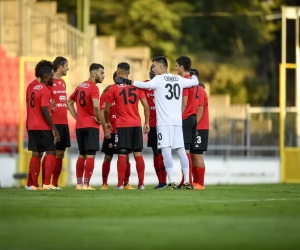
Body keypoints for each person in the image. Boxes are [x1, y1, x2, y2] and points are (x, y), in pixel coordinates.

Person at [121, 56, 198, 189]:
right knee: (181, 150)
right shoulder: (178, 79)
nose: (153, 69)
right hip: (177, 122)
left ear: (161, 67)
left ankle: (171, 181)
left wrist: (128, 81)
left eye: (154, 66)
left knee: (166, 151)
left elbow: (145, 85)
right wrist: (192, 74)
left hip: (163, 123)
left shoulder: (158, 79)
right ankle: (187, 181)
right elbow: (195, 82)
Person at [104, 62, 150, 189]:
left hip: (122, 125)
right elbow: (146, 106)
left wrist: (107, 122)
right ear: (129, 73)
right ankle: (141, 184)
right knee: (138, 154)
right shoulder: (137, 87)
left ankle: (120, 184)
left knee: (122, 154)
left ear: (118, 72)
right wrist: (146, 123)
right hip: (136, 124)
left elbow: (107, 109)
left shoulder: (113, 88)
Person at [67, 63, 104, 190]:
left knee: (81, 154)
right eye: (101, 73)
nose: (103, 76)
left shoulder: (80, 86)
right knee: (90, 155)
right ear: (94, 74)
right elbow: (96, 105)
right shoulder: (94, 88)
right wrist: (99, 119)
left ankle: (79, 184)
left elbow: (69, 102)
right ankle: (87, 184)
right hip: (91, 126)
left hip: (80, 126)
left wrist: (77, 117)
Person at [26, 66, 60, 190]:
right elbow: (44, 110)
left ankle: (33, 185)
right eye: (52, 75)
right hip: (42, 126)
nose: (54, 78)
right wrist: (54, 129)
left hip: (32, 125)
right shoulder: (45, 90)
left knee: (36, 153)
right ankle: (46, 183)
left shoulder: (33, 88)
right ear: (46, 76)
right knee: (51, 151)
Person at [99, 71, 134, 190]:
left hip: (123, 129)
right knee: (108, 156)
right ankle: (104, 183)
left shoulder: (129, 90)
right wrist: (105, 129)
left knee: (125, 156)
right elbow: (102, 111)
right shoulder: (108, 91)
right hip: (112, 129)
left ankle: (126, 183)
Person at [41, 56, 70, 189]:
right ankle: (45, 183)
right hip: (54, 122)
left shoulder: (63, 82)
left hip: (64, 122)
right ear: (60, 66)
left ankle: (54, 183)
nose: (68, 68)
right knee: (50, 153)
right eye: (66, 66)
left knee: (61, 153)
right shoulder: (49, 82)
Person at [175, 56, 197, 188]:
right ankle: (186, 180)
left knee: (185, 152)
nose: (176, 68)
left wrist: (178, 118)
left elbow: (184, 103)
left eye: (177, 65)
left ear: (182, 67)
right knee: (186, 151)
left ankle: (188, 181)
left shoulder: (184, 82)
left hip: (186, 117)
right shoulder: (193, 81)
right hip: (192, 118)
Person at [143, 65, 167, 189]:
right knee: (157, 153)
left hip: (163, 123)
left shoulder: (164, 84)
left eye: (153, 70)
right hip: (153, 125)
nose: (151, 72)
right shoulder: (146, 85)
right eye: (150, 71)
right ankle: (162, 182)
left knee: (162, 153)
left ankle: (165, 181)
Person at [190, 68, 209, 190]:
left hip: (199, 127)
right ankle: (194, 181)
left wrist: (193, 125)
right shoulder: (192, 90)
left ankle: (200, 183)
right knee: (192, 155)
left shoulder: (200, 91)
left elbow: (200, 110)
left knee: (197, 154)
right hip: (194, 126)